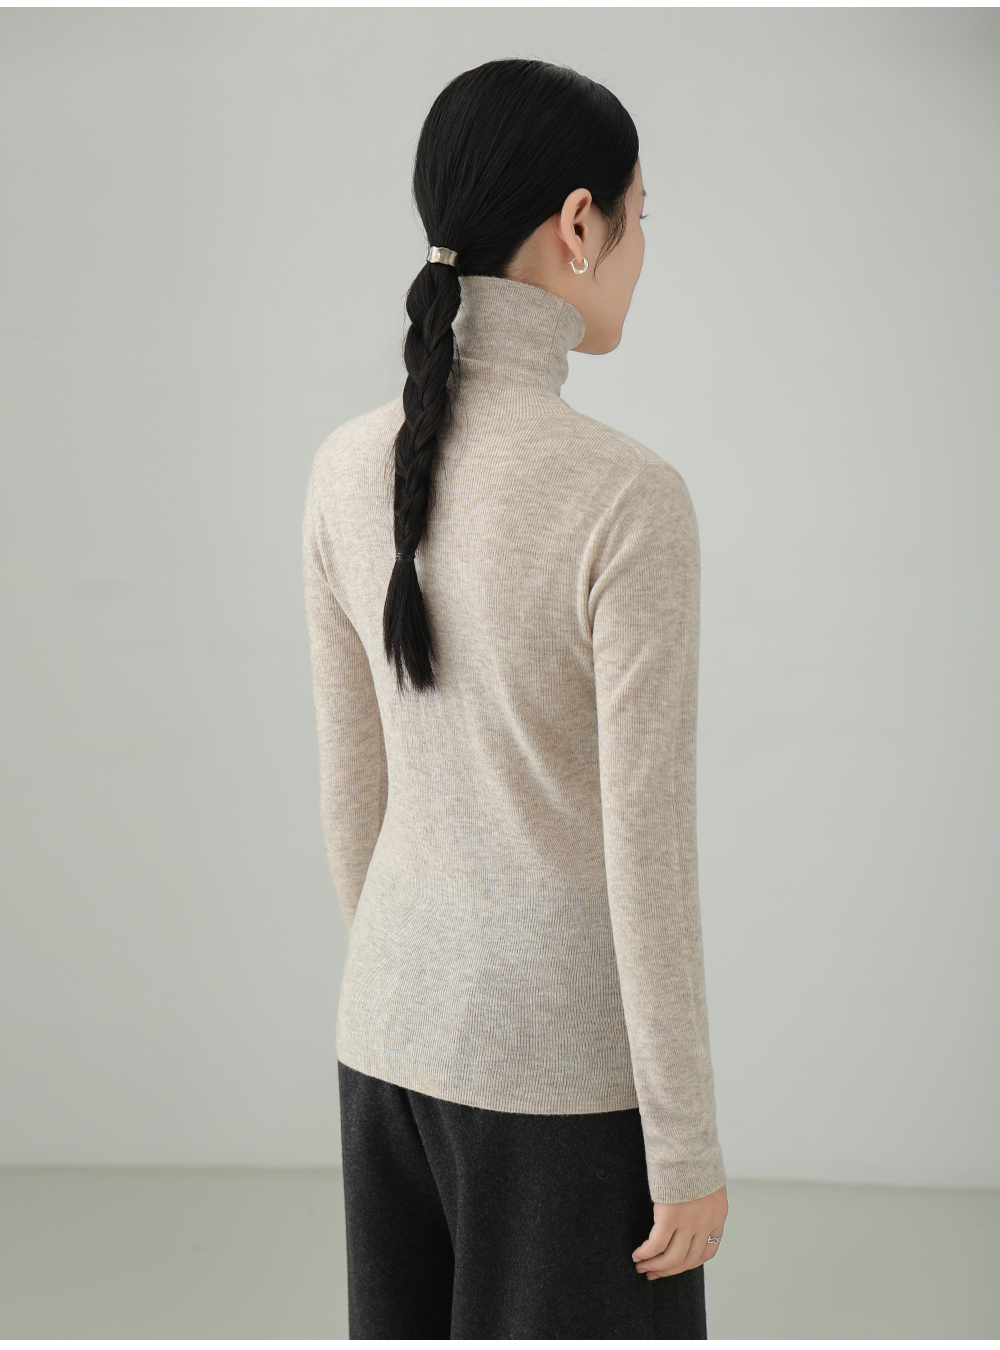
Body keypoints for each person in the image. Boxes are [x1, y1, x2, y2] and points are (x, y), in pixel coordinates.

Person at [302, 57, 728, 1339]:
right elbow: (644, 850)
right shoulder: (625, 498)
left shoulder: (342, 466)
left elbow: (352, 790)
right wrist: (684, 1142)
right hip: (561, 1083)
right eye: (642, 216)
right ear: (579, 222)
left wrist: (419, 988)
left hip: (387, 1038)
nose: (643, 248)